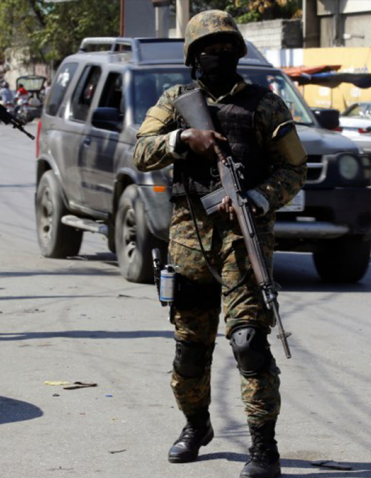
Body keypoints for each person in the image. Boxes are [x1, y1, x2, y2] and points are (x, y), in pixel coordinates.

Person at [134, 10, 306, 478]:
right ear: (194, 57)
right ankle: (196, 426)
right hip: (189, 243)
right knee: (190, 348)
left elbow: (295, 169)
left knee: (249, 342)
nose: (220, 55)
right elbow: (140, 150)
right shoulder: (175, 101)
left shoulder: (264, 105)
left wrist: (256, 197)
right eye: (210, 49)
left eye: (228, 48)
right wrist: (182, 138)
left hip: (244, 241)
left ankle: (263, 447)